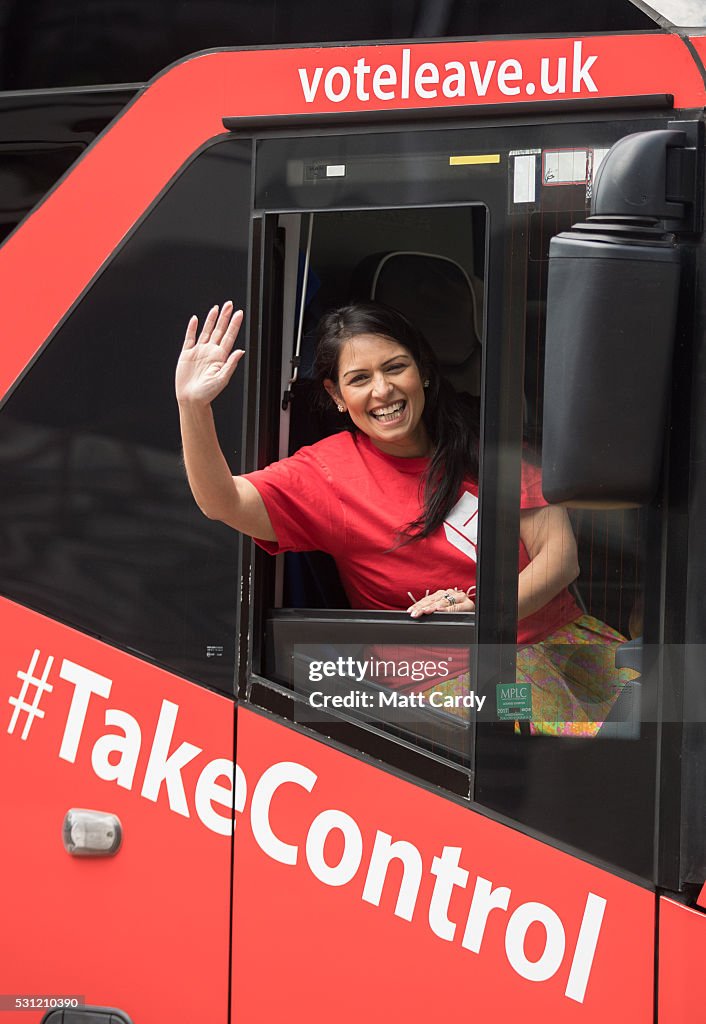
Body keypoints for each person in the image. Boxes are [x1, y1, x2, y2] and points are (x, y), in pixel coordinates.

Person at [176, 299, 632, 736]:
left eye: (395, 368)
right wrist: (194, 408)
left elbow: (559, 558)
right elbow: (224, 502)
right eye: (359, 379)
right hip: (449, 681)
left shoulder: (486, 439)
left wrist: (478, 610)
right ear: (337, 395)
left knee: (666, 726)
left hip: (563, 644)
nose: (382, 391)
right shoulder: (328, 473)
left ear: (424, 372)